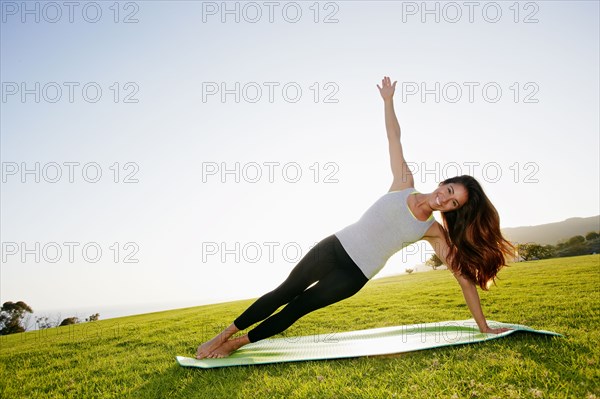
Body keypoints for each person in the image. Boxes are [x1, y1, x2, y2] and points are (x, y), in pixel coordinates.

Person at [196, 76, 515, 359]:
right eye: (449, 190)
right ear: (444, 182)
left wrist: (483, 326)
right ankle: (222, 335)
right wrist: (389, 102)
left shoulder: (432, 231)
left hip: (355, 275)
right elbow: (394, 139)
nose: (445, 199)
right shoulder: (404, 183)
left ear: (454, 211)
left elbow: (463, 280)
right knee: (285, 291)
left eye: (454, 203)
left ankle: (235, 345)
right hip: (333, 247)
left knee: (298, 308)